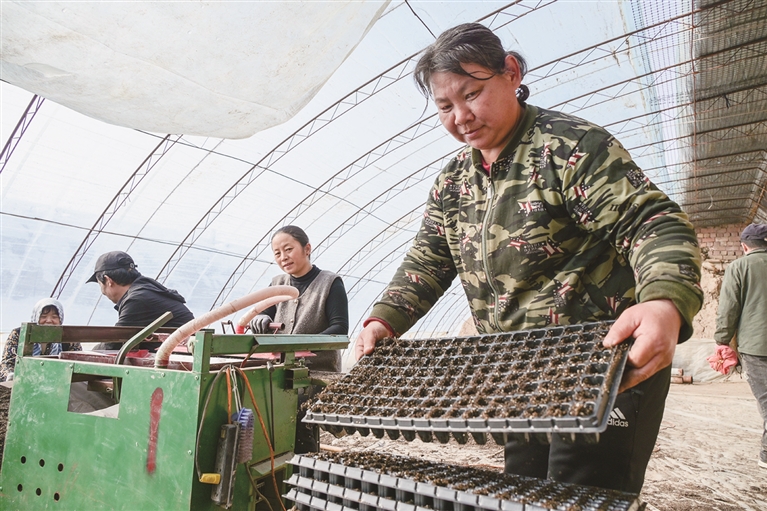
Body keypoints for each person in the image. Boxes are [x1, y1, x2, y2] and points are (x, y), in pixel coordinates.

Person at [354, 23, 703, 493]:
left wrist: (664, 301)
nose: (462, 116)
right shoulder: (454, 180)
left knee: (582, 492)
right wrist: (385, 318)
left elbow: (650, 222)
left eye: (472, 94)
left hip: (599, 360)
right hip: (517, 368)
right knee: (523, 489)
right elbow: (428, 258)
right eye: (445, 107)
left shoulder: (568, 147)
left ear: (511, 73)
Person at [249, 225, 348, 452]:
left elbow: (339, 327)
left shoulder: (330, 283)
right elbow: (265, 312)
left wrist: (301, 346)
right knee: (261, 410)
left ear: (307, 249)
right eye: (277, 253)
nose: (283, 257)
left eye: (288, 249)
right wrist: (260, 317)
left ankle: (304, 466)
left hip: (316, 372)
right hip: (280, 370)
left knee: (298, 417)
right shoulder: (277, 284)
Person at [713, 223, 767, 469]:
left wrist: (722, 341)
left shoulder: (739, 267)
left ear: (744, 246)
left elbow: (729, 308)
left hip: (756, 347)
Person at [87, 250, 195, 349]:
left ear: (108, 280)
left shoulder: (137, 300)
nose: (102, 291)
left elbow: (113, 344)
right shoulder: (145, 290)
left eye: (99, 284)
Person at [0, 298, 81, 382]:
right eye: (43, 317)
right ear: (36, 317)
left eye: (54, 317)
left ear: (60, 319)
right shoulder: (19, 334)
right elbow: (7, 362)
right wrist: (11, 376)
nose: (49, 321)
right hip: (22, 380)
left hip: (56, 381)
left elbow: (77, 363)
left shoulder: (68, 337)